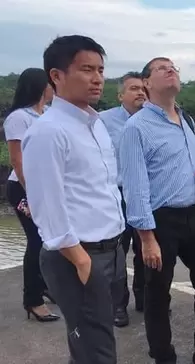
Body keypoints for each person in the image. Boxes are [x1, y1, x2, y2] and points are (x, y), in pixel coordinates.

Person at [119, 56, 195, 364]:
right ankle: (164, 357)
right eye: (162, 68)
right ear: (147, 83)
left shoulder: (185, 119)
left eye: (173, 67)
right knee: (158, 294)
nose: (171, 70)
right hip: (160, 220)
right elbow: (134, 187)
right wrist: (146, 238)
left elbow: (192, 163)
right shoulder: (136, 127)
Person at [22, 35, 126, 364]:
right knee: (97, 351)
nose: (97, 78)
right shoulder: (48, 131)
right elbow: (46, 208)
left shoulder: (94, 124)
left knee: (89, 345)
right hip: (77, 256)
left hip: (110, 248)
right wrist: (82, 261)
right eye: (86, 69)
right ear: (57, 75)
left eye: (100, 70)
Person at [4, 68, 58, 322]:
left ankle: (44, 285)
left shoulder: (47, 114)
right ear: (39, 87)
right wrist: (34, 194)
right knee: (37, 239)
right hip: (23, 187)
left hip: (46, 186)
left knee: (50, 238)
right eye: (49, 84)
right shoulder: (19, 118)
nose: (53, 88)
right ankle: (33, 301)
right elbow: (18, 161)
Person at [100, 72, 146, 326]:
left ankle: (144, 298)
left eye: (143, 88)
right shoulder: (103, 120)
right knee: (118, 253)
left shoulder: (152, 119)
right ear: (120, 95)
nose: (140, 92)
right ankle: (119, 306)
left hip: (145, 194)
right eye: (133, 88)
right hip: (116, 195)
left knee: (146, 250)